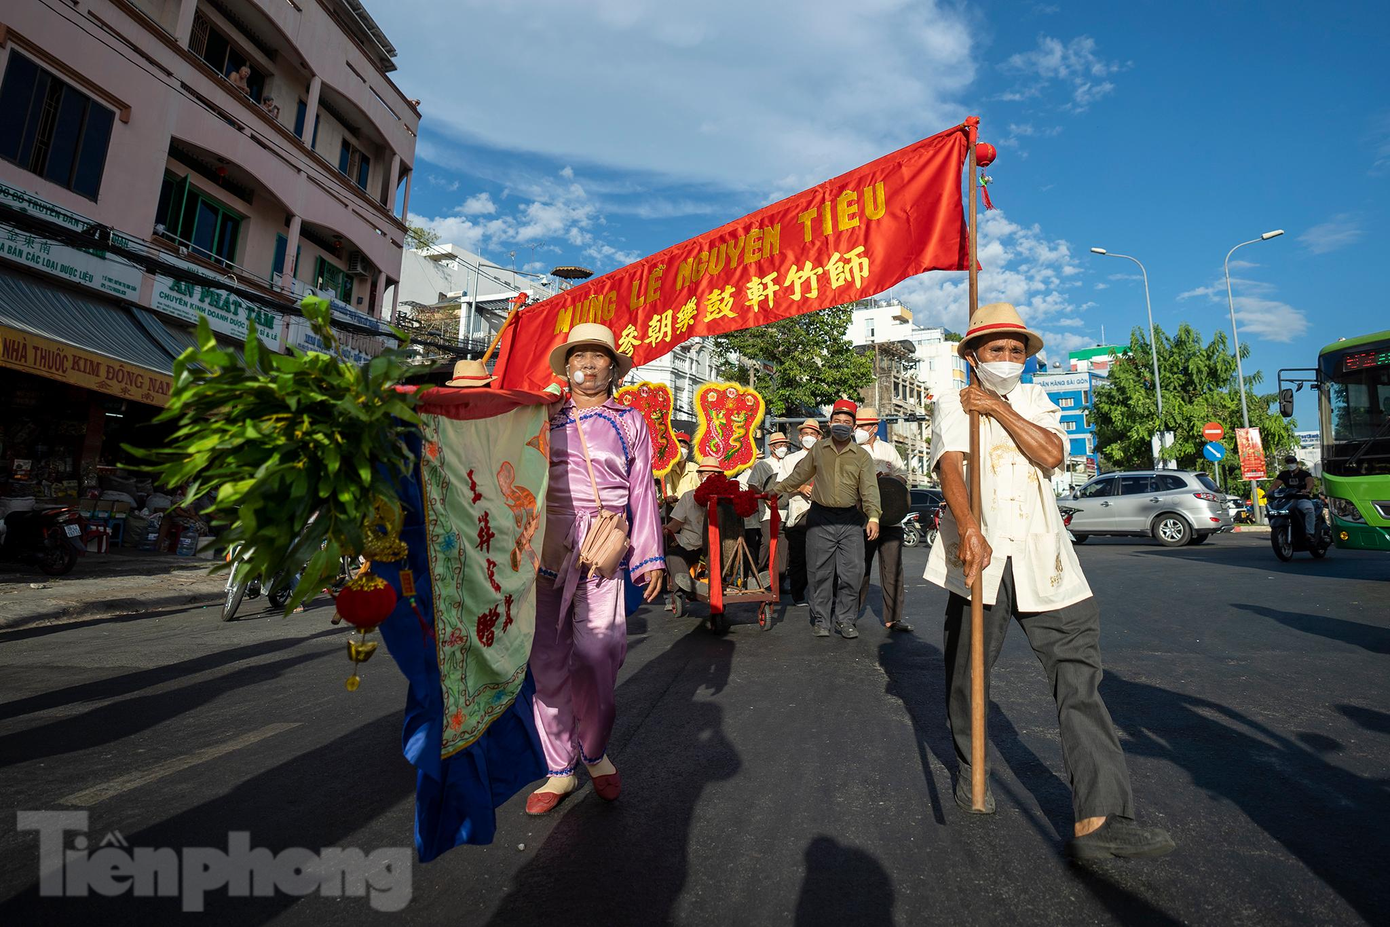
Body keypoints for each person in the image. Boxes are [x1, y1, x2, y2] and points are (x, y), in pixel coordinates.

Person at [926, 302, 1174, 859]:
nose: (1009, 359)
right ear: (973, 356)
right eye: (997, 350)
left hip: (1048, 559)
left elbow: (1052, 454)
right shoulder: (951, 402)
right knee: (969, 678)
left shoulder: (1036, 400)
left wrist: (998, 406)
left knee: (1079, 681)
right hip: (982, 558)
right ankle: (973, 771)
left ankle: (1100, 818)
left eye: (1017, 351)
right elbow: (949, 467)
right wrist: (967, 528)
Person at [527, 323, 665, 815]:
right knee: (546, 660)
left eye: (596, 356)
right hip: (548, 548)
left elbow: (642, 490)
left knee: (597, 653)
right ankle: (558, 769)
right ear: (566, 369)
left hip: (604, 548)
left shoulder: (630, 422)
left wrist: (650, 556)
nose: (586, 364)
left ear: (613, 367)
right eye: (577, 357)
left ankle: (595, 750)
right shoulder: (541, 417)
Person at [772, 399, 880, 639]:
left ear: (853, 427)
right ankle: (821, 620)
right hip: (820, 518)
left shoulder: (862, 456)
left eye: (847, 422)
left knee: (852, 573)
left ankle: (846, 620)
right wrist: (774, 491)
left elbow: (870, 489)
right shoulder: (819, 450)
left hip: (851, 520)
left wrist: (873, 516)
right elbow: (798, 476)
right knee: (820, 572)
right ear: (830, 423)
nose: (841, 425)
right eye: (837, 421)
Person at [853, 408, 913, 634]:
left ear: (874, 428)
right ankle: (850, 615)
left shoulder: (888, 451)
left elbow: (903, 477)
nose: (857, 430)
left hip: (891, 518)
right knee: (860, 567)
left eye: (862, 426)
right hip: (862, 517)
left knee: (893, 569)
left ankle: (893, 618)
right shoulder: (851, 451)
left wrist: (889, 478)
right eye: (856, 426)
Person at [663, 455, 724, 597]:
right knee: (672, 555)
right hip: (690, 544)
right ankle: (687, 587)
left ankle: (749, 580)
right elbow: (676, 523)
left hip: (718, 546)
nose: (710, 477)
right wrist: (664, 530)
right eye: (706, 473)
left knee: (747, 551)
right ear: (700, 475)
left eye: (714, 474)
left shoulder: (727, 497)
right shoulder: (688, 496)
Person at [781, 419, 821, 606]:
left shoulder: (825, 457)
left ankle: (822, 594)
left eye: (813, 434)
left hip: (822, 512)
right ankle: (798, 594)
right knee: (799, 557)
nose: (809, 437)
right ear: (800, 436)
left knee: (822, 556)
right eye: (806, 434)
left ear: (819, 437)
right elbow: (781, 485)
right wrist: (802, 487)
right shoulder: (789, 460)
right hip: (799, 513)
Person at [1269, 454, 1320, 540]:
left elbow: (1310, 482)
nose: (1290, 464)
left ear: (1297, 463)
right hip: (1288, 500)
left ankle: (1310, 533)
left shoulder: (1304, 474)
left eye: (1292, 462)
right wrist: (1268, 493)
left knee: (1309, 510)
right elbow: (1275, 485)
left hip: (1302, 498)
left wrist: (1307, 490)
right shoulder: (1283, 474)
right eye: (1288, 462)